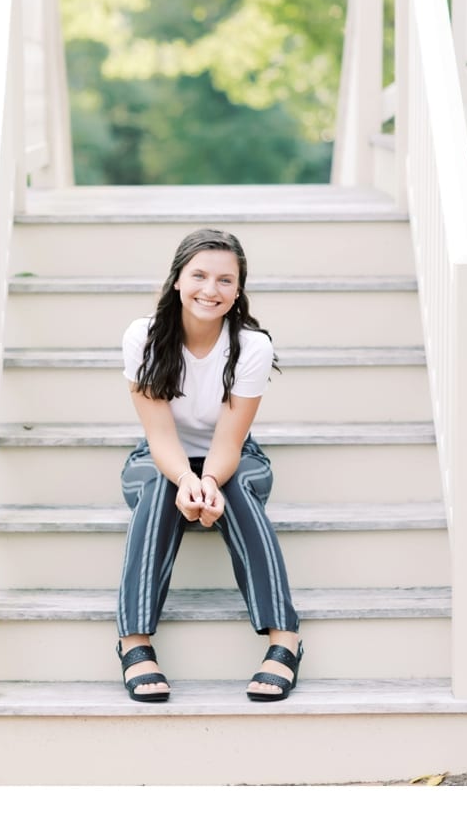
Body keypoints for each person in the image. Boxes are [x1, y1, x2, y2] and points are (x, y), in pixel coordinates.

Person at [114, 229, 302, 703]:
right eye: (198, 275)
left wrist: (210, 480)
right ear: (177, 279)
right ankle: (134, 642)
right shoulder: (144, 337)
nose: (210, 289)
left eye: (225, 280)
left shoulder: (252, 346)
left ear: (238, 290)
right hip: (159, 458)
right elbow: (159, 435)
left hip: (237, 458)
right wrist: (184, 480)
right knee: (160, 488)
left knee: (235, 487)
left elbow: (229, 440)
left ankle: (285, 638)